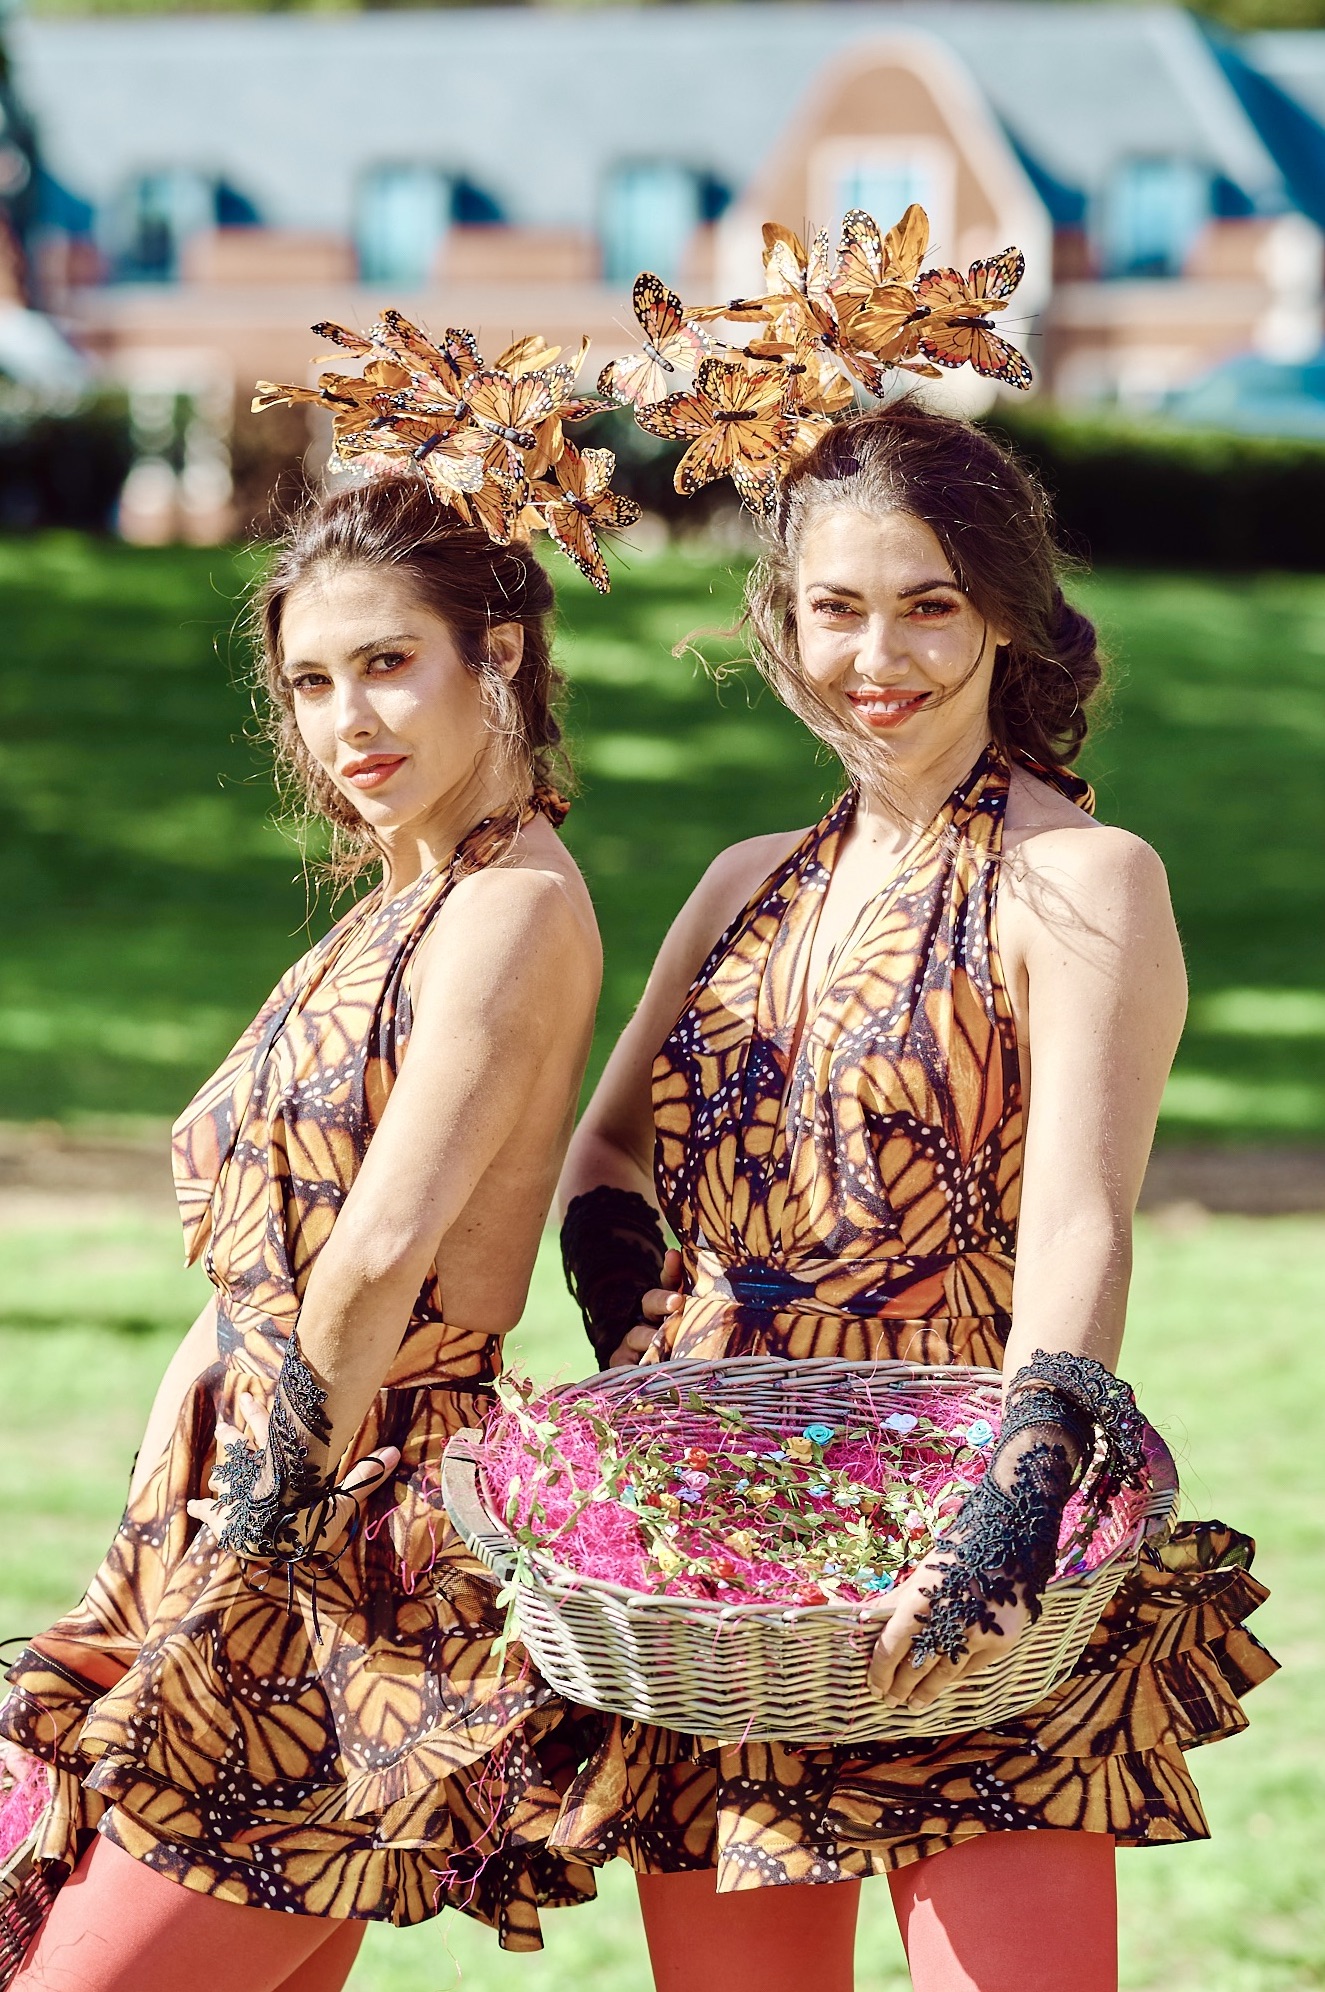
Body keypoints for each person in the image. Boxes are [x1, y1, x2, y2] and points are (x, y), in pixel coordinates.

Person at [554, 404, 1277, 1992]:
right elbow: (602, 1154)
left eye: (928, 603)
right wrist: (656, 1378)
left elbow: (1081, 1217)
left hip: (967, 1492)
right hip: (728, 1532)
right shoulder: (743, 882)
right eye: (833, 607)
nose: (874, 656)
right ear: (779, 619)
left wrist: (1016, 1497)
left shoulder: (1081, 879)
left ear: (1007, 614)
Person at [0, 471, 603, 1990]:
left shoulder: (510, 907)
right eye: (314, 682)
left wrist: (253, 1526)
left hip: (338, 1536)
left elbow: (381, 1255)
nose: (351, 721)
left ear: (501, 654)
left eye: (390, 663)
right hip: (233, 1507)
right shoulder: (394, 907)